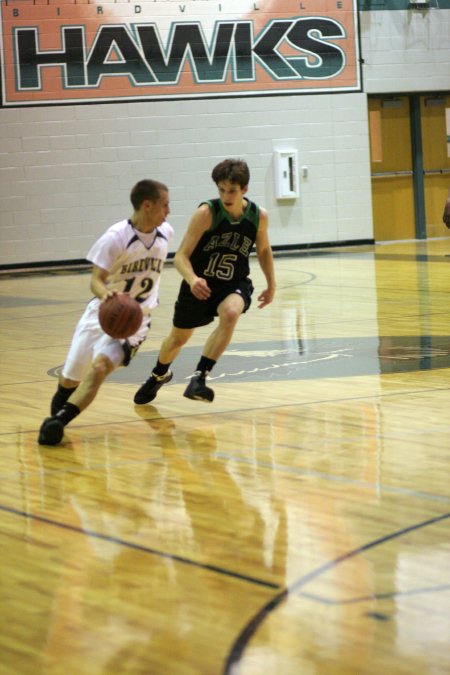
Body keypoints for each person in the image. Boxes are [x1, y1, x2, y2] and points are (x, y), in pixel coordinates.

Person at [38, 179, 173, 446]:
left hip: (136, 321)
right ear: (147, 205)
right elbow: (95, 280)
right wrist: (106, 295)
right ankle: (56, 419)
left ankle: (58, 423)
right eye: (164, 205)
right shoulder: (115, 237)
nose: (168, 211)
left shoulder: (165, 232)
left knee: (99, 369)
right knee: (68, 381)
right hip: (102, 314)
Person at [134, 158, 275, 404]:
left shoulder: (258, 216)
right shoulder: (207, 213)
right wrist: (192, 279)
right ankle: (159, 375)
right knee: (178, 339)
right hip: (200, 284)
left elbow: (263, 251)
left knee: (231, 314)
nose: (226, 195)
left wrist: (271, 284)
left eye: (232, 190)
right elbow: (180, 257)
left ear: (245, 189)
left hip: (234, 283)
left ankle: (200, 377)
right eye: (221, 190)